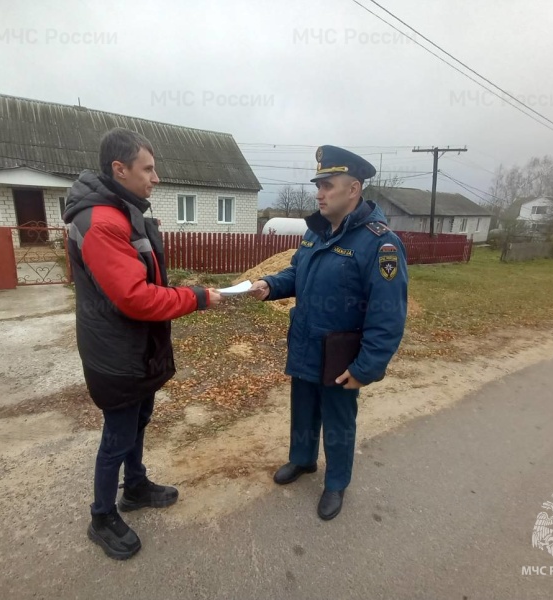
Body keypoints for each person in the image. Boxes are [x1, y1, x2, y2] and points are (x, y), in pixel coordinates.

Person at [63, 127, 222, 560]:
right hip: (116, 354)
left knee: (138, 421)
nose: (155, 178)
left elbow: (142, 281)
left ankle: (134, 486)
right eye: (148, 169)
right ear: (120, 169)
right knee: (117, 433)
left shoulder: (124, 212)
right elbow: (134, 298)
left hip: (139, 348)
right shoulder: (100, 222)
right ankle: (101, 516)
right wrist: (198, 297)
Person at [248, 145, 408, 520]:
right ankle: (302, 460)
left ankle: (336, 483)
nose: (319, 193)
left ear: (353, 189)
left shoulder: (379, 243)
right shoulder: (316, 233)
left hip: (340, 353)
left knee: (338, 418)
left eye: (327, 185)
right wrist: (270, 285)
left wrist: (367, 367)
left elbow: (389, 315)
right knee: (303, 409)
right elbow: (297, 273)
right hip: (306, 342)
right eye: (318, 184)